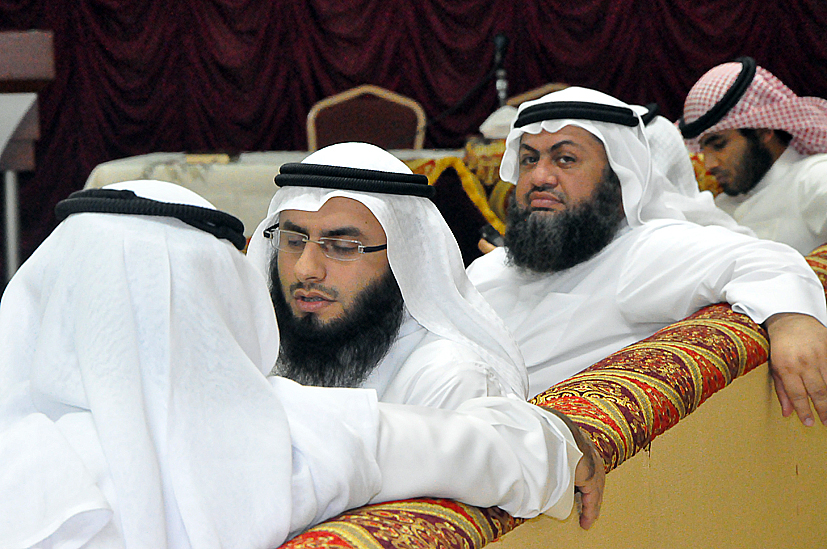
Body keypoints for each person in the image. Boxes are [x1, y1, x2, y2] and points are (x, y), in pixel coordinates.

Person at [0, 179, 602, 549]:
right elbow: (477, 448)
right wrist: (559, 438)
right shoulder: (284, 434)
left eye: (340, 247)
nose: (308, 268)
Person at [466, 86, 827, 428]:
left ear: (619, 181)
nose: (540, 176)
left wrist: (791, 321)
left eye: (565, 159)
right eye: (529, 159)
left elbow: (765, 261)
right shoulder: (490, 268)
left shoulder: (640, 254)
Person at [679, 56, 827, 255]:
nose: (709, 165)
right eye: (704, 151)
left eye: (719, 144)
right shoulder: (720, 206)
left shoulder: (815, 178)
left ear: (764, 131)